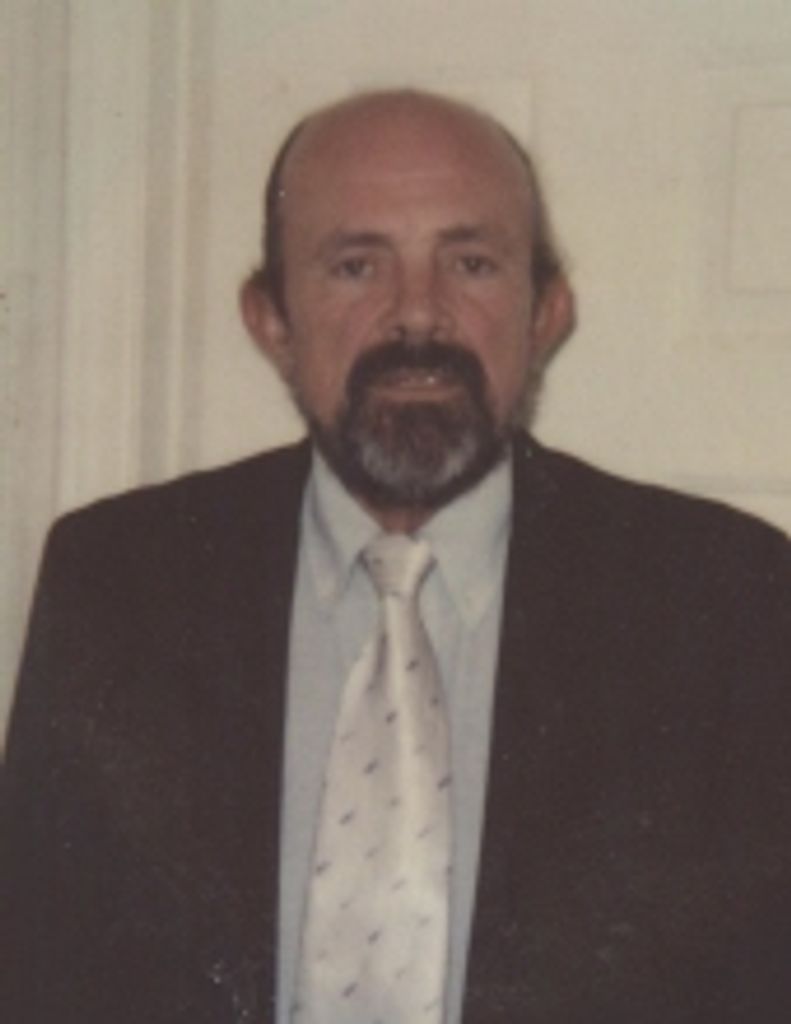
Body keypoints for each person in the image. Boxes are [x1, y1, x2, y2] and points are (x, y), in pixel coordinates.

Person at [3, 89, 790, 1024]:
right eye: (355, 266)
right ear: (270, 320)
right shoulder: (119, 582)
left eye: (470, 263)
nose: (418, 316)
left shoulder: (721, 599)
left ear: (545, 313)